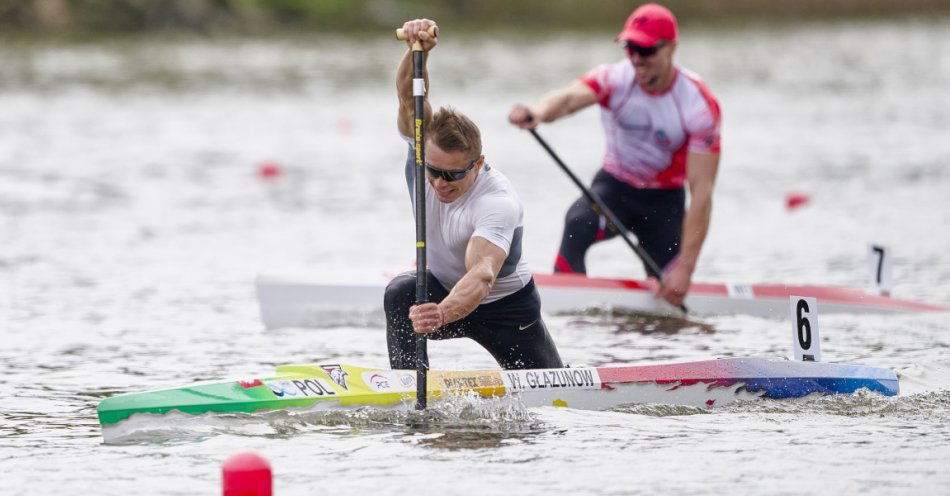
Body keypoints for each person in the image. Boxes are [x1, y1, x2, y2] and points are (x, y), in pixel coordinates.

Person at [508, 3, 721, 308]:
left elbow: (702, 193)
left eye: (645, 50)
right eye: (629, 47)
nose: (636, 58)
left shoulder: (698, 105)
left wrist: (685, 270)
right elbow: (567, 100)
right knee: (577, 224)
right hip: (615, 189)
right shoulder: (615, 79)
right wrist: (537, 112)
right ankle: (568, 328)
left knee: (671, 295)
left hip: (664, 204)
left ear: (671, 48)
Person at [385, 19, 563, 371]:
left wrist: (442, 313)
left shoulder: (497, 202)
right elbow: (409, 98)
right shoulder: (423, 151)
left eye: (454, 174)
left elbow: (482, 275)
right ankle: (406, 386)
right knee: (400, 292)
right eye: (434, 171)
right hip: (438, 290)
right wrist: (415, 50)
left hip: (505, 307)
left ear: (478, 163)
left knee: (552, 393)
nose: (440, 183)